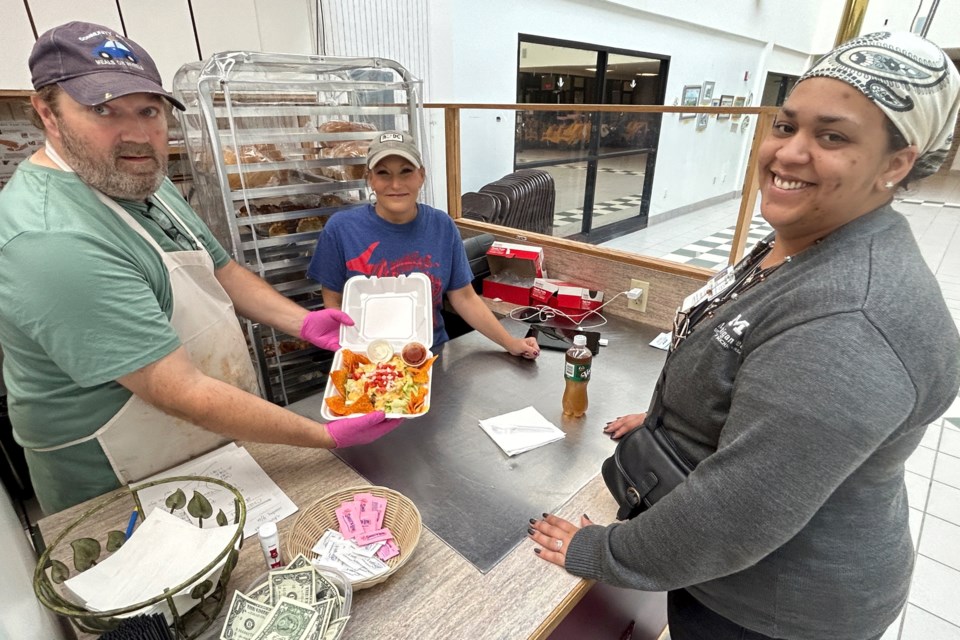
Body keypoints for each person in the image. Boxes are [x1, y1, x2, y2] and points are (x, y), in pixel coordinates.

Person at [528, 31, 960, 640]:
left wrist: (602, 551)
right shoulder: (806, 241)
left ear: (896, 163)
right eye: (786, 126)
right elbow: (750, 372)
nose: (789, 153)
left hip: (775, 607)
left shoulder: (851, 323)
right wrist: (669, 420)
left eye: (832, 136)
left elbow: (737, 515)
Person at [0, 22, 402, 515]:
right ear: (47, 112)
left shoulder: (137, 175)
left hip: (204, 441)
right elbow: (180, 390)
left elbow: (222, 270)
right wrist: (324, 435)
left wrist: (303, 322)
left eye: (149, 110)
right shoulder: (52, 241)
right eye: (102, 109)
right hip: (120, 480)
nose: (136, 134)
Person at [306, 130, 540, 357]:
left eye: (406, 172)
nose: (396, 185)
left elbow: (465, 298)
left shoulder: (442, 226)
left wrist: (510, 343)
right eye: (383, 173)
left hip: (428, 358)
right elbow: (333, 301)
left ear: (421, 176)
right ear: (370, 179)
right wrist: (352, 352)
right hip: (365, 359)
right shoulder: (342, 229)